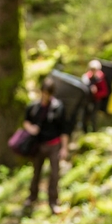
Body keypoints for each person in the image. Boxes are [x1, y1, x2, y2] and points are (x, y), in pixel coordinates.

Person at [23, 77, 70, 215]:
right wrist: (31, 129)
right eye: (44, 92)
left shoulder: (58, 108)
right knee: (36, 172)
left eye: (48, 93)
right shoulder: (34, 107)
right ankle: (32, 197)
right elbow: (26, 121)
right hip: (38, 145)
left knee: (54, 175)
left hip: (54, 145)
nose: (45, 96)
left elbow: (64, 130)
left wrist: (64, 148)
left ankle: (53, 202)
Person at [81, 59, 109, 133]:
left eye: (94, 69)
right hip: (87, 100)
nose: (93, 71)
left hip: (96, 101)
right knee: (84, 117)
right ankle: (85, 132)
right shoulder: (86, 77)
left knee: (93, 118)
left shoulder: (100, 79)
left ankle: (94, 132)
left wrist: (96, 93)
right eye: (91, 69)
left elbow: (104, 92)